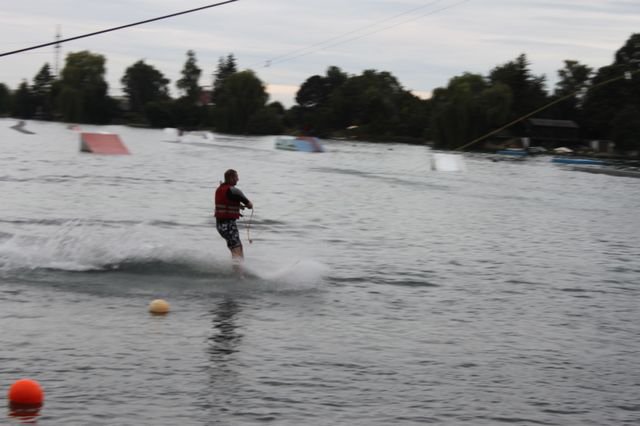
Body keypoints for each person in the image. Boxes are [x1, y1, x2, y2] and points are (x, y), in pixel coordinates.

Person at [214, 169, 253, 272]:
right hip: (228, 225)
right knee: (237, 249)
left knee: (236, 248)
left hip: (220, 226)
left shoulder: (220, 189)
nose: (238, 179)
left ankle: (238, 272)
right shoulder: (234, 190)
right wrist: (244, 204)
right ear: (231, 178)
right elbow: (250, 205)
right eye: (236, 177)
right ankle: (239, 275)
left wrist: (237, 206)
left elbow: (226, 201)